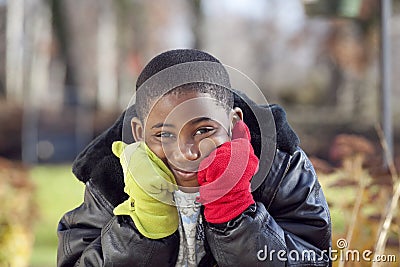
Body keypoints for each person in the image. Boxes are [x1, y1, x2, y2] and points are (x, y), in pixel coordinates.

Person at [57, 49, 331, 267]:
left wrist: (234, 213)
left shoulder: (280, 170)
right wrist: (143, 224)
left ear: (234, 122)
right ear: (139, 134)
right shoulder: (111, 181)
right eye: (164, 135)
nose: (185, 154)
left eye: (203, 130)